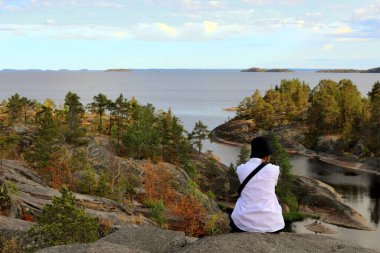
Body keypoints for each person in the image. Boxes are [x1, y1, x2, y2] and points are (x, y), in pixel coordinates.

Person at [230, 136, 284, 233]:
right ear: (267, 156)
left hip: (243, 223)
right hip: (272, 224)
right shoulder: (275, 169)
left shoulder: (241, 169)